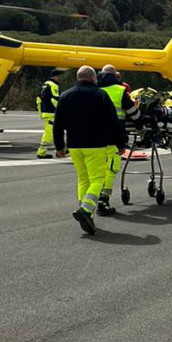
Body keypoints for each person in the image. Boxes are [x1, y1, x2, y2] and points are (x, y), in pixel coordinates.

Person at [54, 66, 126, 235]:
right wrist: (120, 143)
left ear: (78, 78)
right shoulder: (100, 95)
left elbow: (57, 124)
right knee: (98, 179)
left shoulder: (65, 95)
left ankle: (87, 214)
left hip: (74, 145)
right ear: (94, 78)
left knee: (83, 179)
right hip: (95, 144)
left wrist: (59, 147)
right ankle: (85, 211)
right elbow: (112, 121)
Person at [97, 64, 140, 215]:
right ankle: (103, 200)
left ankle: (88, 203)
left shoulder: (95, 89)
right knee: (112, 168)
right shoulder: (119, 91)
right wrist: (140, 124)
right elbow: (133, 113)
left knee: (96, 170)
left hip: (94, 137)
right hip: (113, 136)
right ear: (115, 76)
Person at [36, 70, 60, 158]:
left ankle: (59, 150)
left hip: (45, 112)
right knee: (50, 133)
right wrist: (61, 109)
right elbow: (55, 100)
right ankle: (41, 152)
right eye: (58, 76)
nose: (59, 78)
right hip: (51, 112)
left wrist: (41, 112)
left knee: (54, 132)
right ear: (55, 76)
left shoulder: (45, 85)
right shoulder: (53, 86)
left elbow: (39, 99)